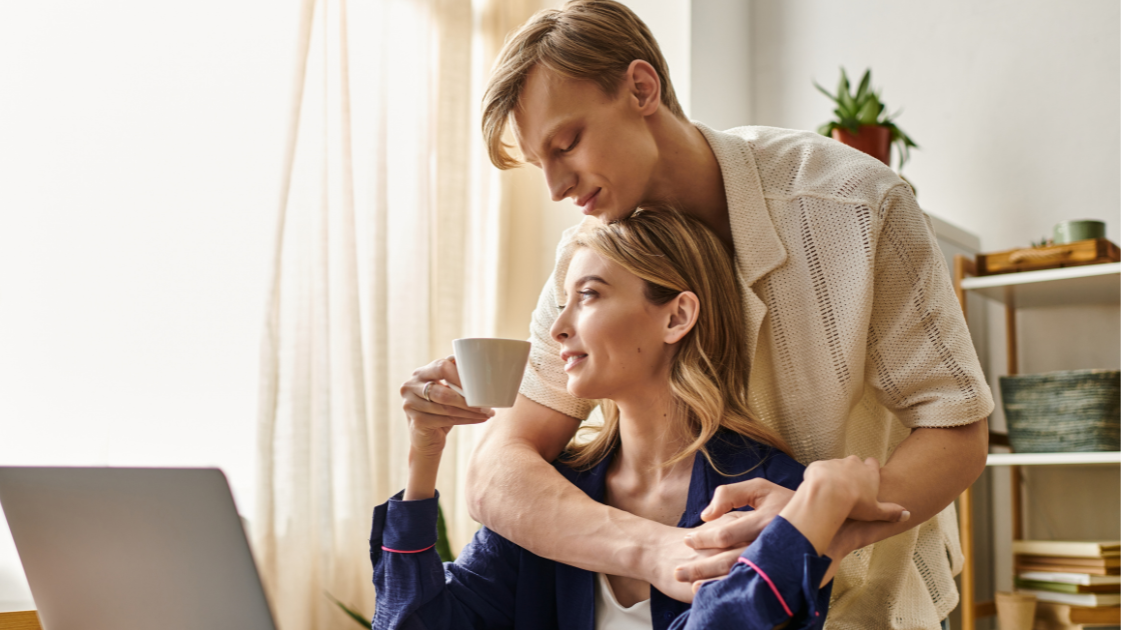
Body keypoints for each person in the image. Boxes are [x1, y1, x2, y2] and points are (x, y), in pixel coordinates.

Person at [400, 1, 994, 627]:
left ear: (641, 87)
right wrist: (665, 554)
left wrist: (818, 526)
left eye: (566, 143)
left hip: (871, 590)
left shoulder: (855, 204)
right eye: (537, 162)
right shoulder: (583, 257)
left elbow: (955, 428)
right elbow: (498, 469)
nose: (554, 187)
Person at [374, 209, 909, 630]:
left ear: (676, 316)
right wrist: (425, 454)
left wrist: (815, 507)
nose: (558, 327)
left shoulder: (768, 495)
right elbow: (414, 622)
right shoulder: (546, 498)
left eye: (587, 296)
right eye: (563, 303)